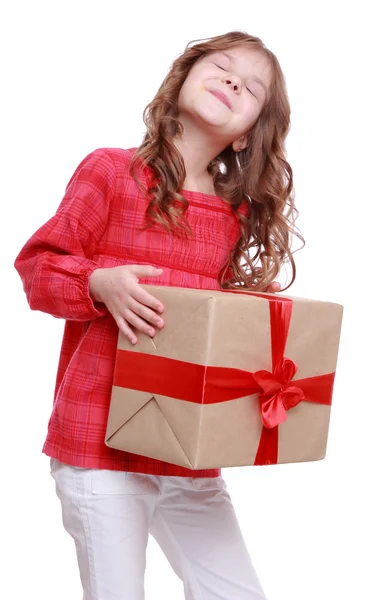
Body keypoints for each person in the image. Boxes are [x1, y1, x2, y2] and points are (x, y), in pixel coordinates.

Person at [14, 30, 303, 600]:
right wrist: (98, 281)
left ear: (248, 135)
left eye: (249, 87)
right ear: (181, 81)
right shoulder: (111, 171)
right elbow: (38, 268)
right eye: (221, 67)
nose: (231, 81)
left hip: (184, 452)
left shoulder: (230, 216)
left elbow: (203, 336)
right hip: (101, 445)